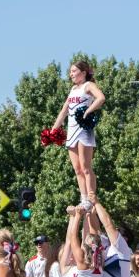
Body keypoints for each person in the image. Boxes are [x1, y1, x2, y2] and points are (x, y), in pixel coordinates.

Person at [50, 58, 106, 210]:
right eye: (70, 72)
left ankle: (91, 197)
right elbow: (64, 111)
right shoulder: (73, 90)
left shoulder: (89, 85)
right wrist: (53, 131)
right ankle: (83, 198)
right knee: (77, 169)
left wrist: (88, 111)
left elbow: (101, 98)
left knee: (86, 167)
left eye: (74, 71)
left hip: (84, 130)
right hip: (72, 131)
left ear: (83, 72)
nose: (71, 74)